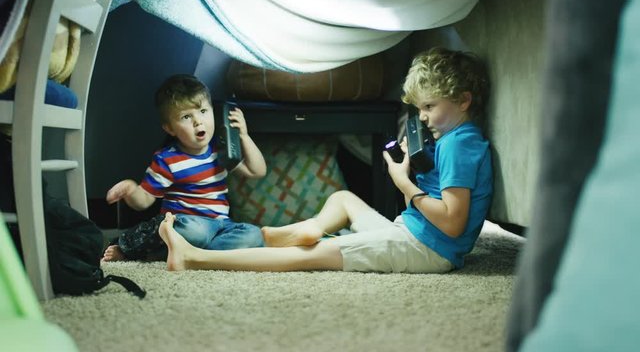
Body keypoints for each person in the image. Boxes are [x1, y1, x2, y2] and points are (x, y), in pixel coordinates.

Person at [157, 47, 493, 273]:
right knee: (343, 199)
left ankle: (196, 258)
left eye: (430, 107)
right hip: (414, 232)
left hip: (428, 249)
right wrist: (410, 170)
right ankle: (307, 229)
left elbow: (452, 223)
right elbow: (435, 205)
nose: (423, 118)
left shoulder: (458, 146)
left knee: (312, 257)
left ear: (464, 101)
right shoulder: (454, 140)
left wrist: (404, 182)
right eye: (420, 108)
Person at [102, 74, 267, 262]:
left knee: (253, 235)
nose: (198, 121)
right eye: (187, 116)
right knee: (195, 232)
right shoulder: (168, 159)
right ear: (170, 129)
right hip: (187, 224)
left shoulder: (221, 151)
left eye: (204, 111)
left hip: (220, 226)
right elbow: (144, 201)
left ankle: (185, 253)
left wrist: (243, 136)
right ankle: (130, 247)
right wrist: (131, 189)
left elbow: (257, 171)